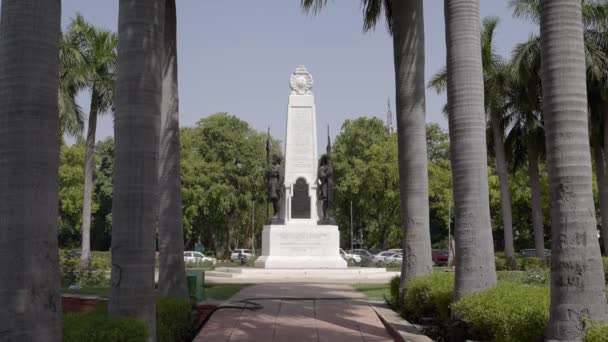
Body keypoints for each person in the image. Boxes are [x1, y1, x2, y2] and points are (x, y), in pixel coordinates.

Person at [266, 154, 284, 222]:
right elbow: (267, 176)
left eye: (274, 159)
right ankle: (275, 213)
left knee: (277, 200)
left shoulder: (279, 167)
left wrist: (278, 187)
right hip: (271, 186)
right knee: (273, 200)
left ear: (277, 160)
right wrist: (267, 172)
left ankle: (278, 214)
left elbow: (281, 178)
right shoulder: (271, 168)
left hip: (276, 186)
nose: (273, 160)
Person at [317, 154, 332, 222]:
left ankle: (328, 215)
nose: (328, 161)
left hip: (329, 186)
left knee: (328, 201)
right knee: (325, 201)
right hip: (324, 186)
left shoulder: (328, 168)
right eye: (327, 160)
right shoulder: (321, 168)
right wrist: (328, 173)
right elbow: (322, 176)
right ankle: (324, 216)